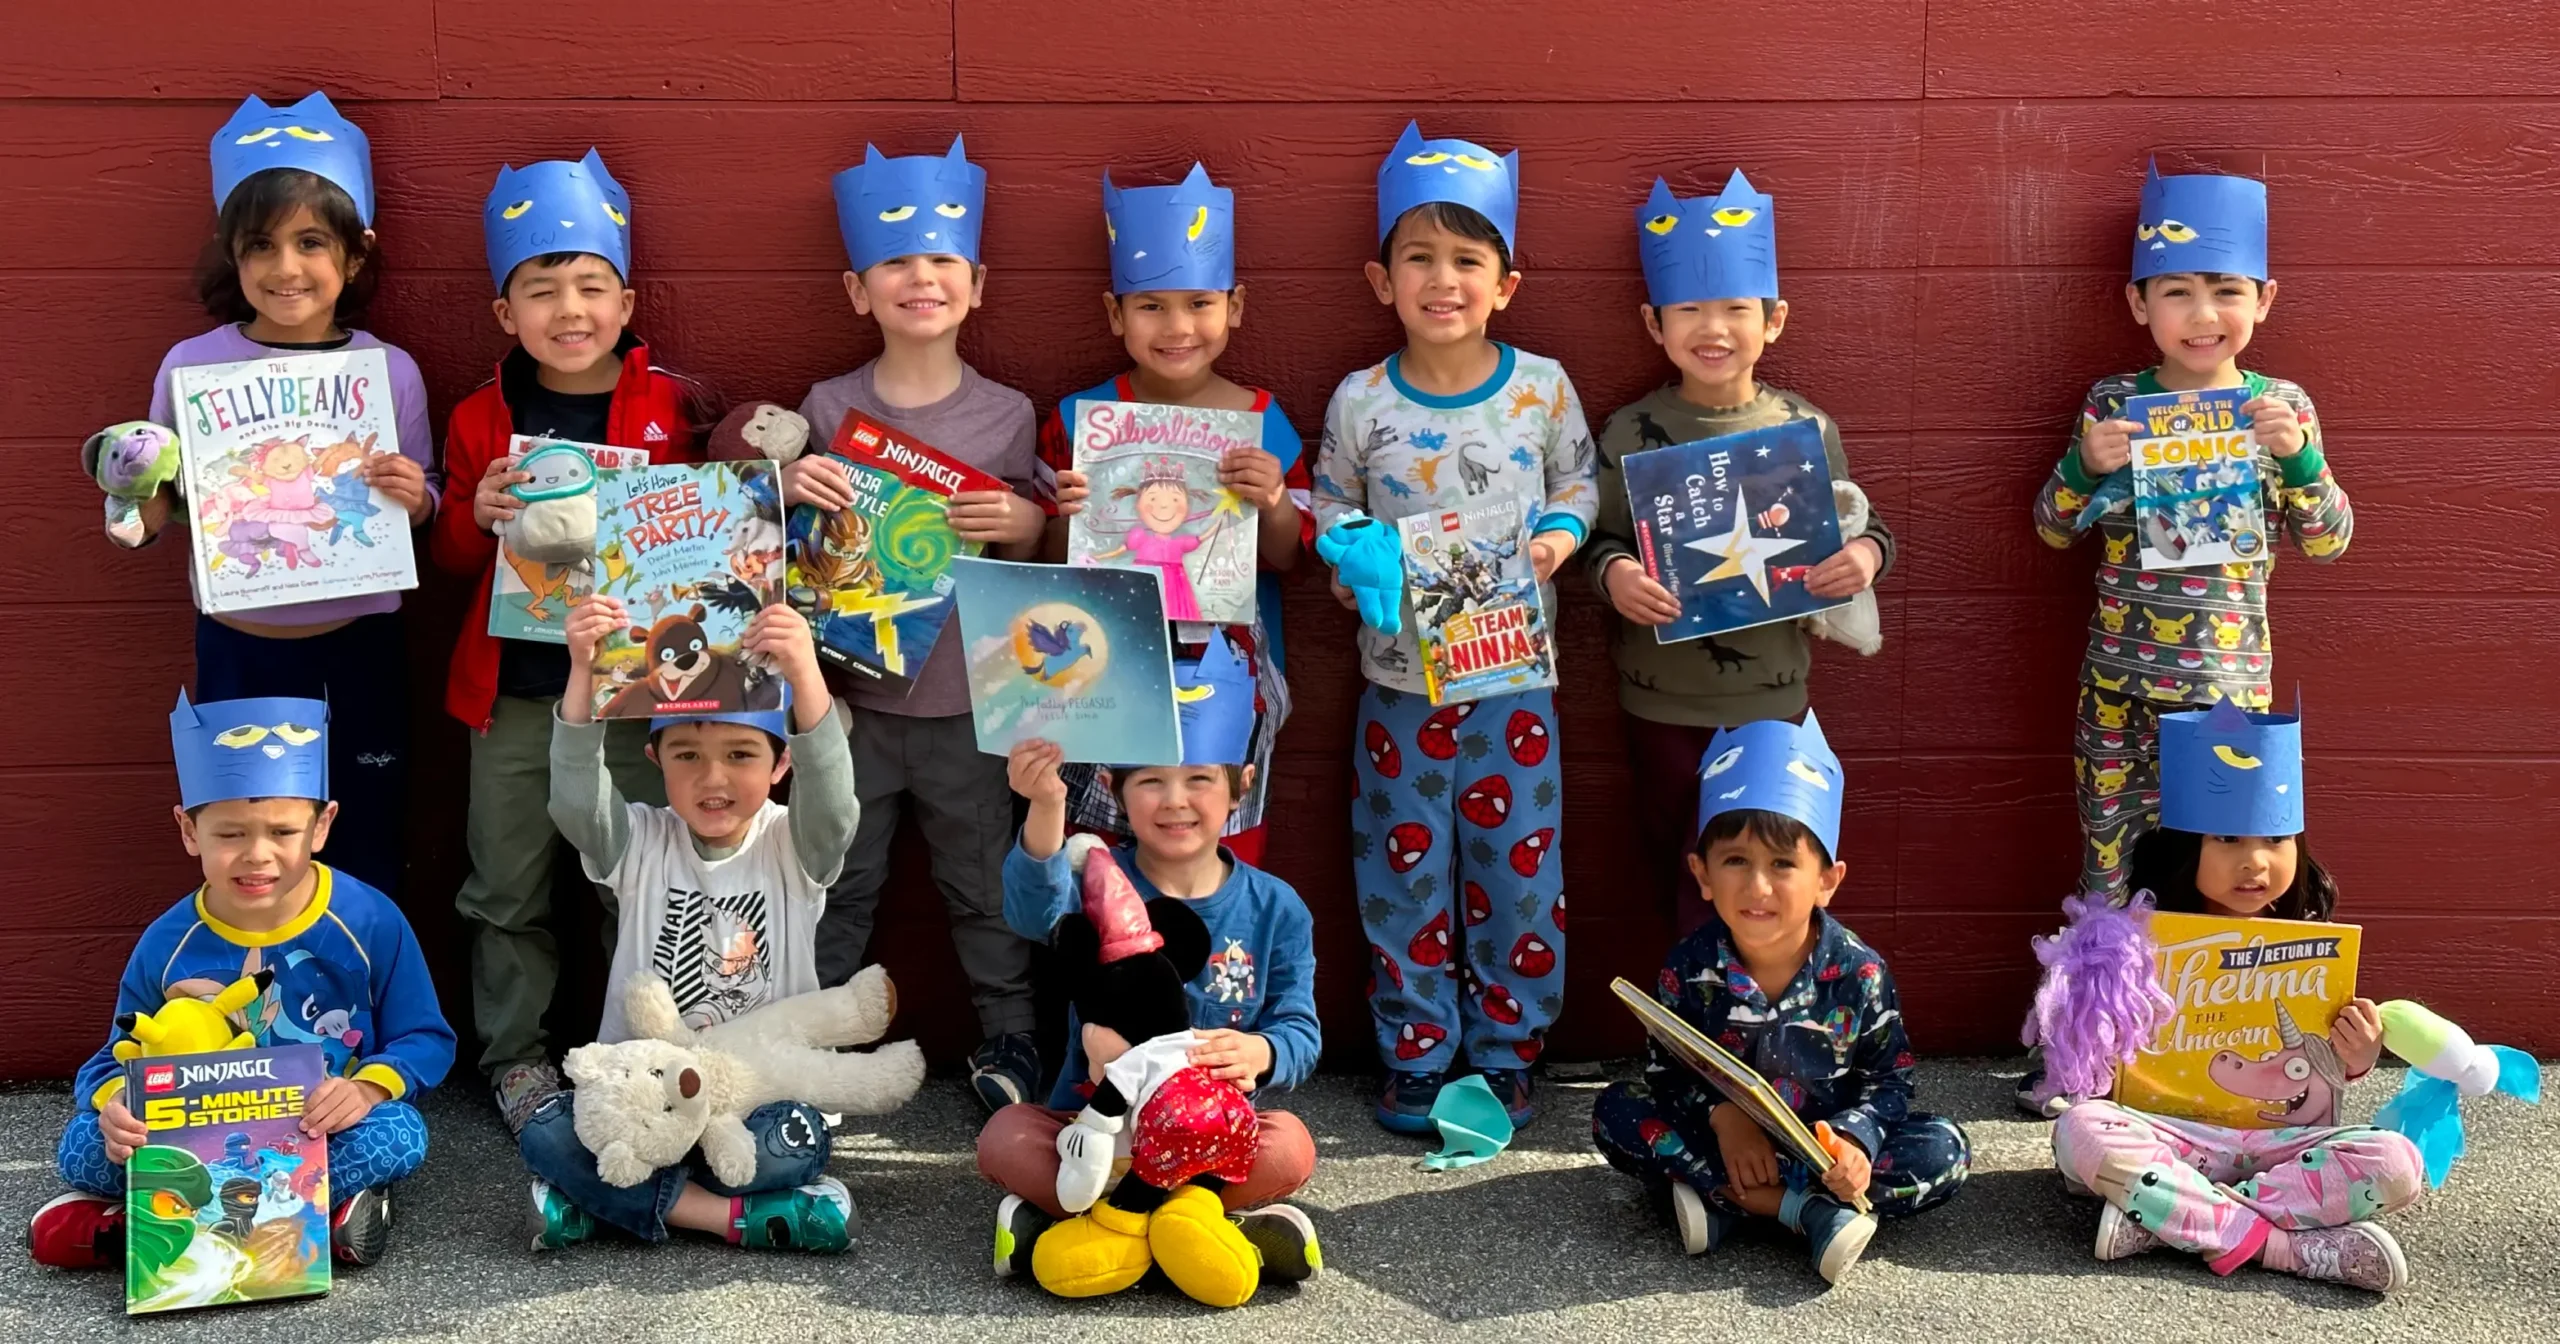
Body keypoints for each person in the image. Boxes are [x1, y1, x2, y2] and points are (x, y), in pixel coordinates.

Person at [1312, 122, 1595, 1132]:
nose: (1442, 281)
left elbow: (1578, 480)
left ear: (1505, 284)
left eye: (1467, 261)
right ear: (1379, 279)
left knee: (1519, 868)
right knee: (1400, 871)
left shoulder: (1541, 388)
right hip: (1399, 685)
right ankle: (1417, 1050)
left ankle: (1509, 1049)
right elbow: (1328, 501)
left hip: (1511, 681)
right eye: (1417, 259)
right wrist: (1352, 563)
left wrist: (1560, 540)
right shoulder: (1361, 401)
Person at [431, 147, 718, 1134]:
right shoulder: (480, 416)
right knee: (507, 884)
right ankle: (516, 1056)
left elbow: (719, 532)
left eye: (591, 287)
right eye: (541, 291)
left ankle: (644, 1054)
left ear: (627, 300)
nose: (570, 310)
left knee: (639, 876)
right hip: (515, 691)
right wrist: (476, 511)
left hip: (639, 694)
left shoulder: (675, 409)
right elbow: (455, 563)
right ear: (506, 315)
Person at [109, 91, 439, 900]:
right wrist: (131, 490)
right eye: (261, 245)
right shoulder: (190, 365)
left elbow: (426, 493)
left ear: (355, 257)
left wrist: (417, 497)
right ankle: (270, 1015)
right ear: (232, 255)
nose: (286, 268)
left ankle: (360, 1011)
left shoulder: (390, 370)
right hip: (239, 643)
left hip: (358, 641)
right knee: (251, 842)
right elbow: (151, 511)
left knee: (364, 830)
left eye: (310, 242)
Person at [783, 137, 1047, 1112]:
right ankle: (799, 1048)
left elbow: (1038, 551)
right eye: (896, 262)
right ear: (859, 290)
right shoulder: (829, 405)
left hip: (970, 705)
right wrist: (788, 486)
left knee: (982, 885)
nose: (919, 277)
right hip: (849, 704)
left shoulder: (1010, 414)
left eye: (940, 261)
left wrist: (1027, 523)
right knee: (836, 887)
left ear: (975, 284)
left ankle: (1012, 1039)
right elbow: (800, 554)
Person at [29, 693, 454, 1269]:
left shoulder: (370, 920)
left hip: (312, 1131)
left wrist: (366, 1090)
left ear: (322, 825)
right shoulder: (167, 941)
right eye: (229, 835)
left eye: (283, 832)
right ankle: (317, 1219)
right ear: (188, 830)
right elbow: (111, 1058)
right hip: (195, 1140)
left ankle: (139, 1223)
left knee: (399, 1133)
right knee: (83, 1147)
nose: (257, 856)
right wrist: (119, 1108)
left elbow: (426, 1038)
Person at [1584, 168, 1894, 935]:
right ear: (1655, 325)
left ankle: (1761, 1026)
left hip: (1771, 702)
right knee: (1681, 865)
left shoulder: (1806, 430)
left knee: (1768, 871)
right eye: (1689, 310)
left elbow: (1866, 527)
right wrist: (1614, 573)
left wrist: (1864, 561)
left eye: (1735, 309)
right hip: (1658, 699)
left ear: (1775, 319)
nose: (1712, 328)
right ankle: (1694, 1026)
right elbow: (1598, 537)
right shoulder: (1626, 433)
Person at [2029, 163, 2351, 901]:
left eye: (2227, 292)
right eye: (2179, 293)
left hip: (2228, 691)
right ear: (2140, 304)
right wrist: (2086, 464)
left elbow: (2331, 540)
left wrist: (2296, 457)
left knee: (2228, 878)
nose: (2204, 315)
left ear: (2264, 301)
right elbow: (2052, 530)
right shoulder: (2113, 403)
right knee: (2111, 875)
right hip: (2117, 690)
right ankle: (2104, 1018)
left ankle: (2207, 1016)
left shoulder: (2283, 407)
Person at [513, 595, 863, 1252]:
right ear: (655, 759)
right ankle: (733, 1218)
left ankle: (608, 1205)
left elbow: (836, 805)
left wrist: (804, 671)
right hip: (645, 1102)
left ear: (782, 764)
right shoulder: (639, 840)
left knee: (798, 1138)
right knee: (547, 1128)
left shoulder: (796, 844)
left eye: (741, 756)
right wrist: (584, 670)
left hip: (757, 1104)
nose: (713, 780)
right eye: (686, 756)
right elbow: (574, 801)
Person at [979, 634, 1322, 1292]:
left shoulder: (1278, 909)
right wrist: (1046, 806)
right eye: (1152, 781)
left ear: (1240, 785)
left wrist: (1261, 1052)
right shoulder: (1100, 881)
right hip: (1102, 1130)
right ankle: (1204, 1233)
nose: (1175, 800)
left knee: (1289, 1147)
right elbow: (1030, 910)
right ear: (1112, 787)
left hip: (1214, 1135)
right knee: (1005, 1136)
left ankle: (1090, 1231)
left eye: (1199, 780)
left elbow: (1301, 1031)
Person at [2046, 701, 2422, 1293]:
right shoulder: (2132, 942)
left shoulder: (2310, 944)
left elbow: (2316, 1077)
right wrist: (2095, 1030)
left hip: (2282, 1147)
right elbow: (2091, 1072)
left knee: (2398, 1161)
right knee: (2081, 1133)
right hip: (2168, 1135)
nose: (2255, 862)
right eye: (2226, 838)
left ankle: (2175, 1222)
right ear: (2184, 849)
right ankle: (2288, 1249)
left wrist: (2355, 1056)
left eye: (2276, 838)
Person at [1590, 713, 1970, 1287]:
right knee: (1615, 1111)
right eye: (1736, 861)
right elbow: (1666, 1073)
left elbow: (1891, 1081)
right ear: (1703, 873)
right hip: (1723, 1139)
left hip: (1823, 1150)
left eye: (1783, 864)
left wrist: (1854, 1142)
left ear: (1828, 879)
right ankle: (1800, 1212)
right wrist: (1725, 1121)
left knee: (1946, 1149)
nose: (1758, 887)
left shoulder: (1860, 972)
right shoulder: (1688, 966)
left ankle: (1725, 1200)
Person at [1039, 162, 1311, 868]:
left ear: (1236, 306)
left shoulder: (1261, 419)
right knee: (1097, 852)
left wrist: (1274, 500)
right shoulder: (1078, 421)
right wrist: (1068, 512)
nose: (1178, 326)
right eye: (1151, 305)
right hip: (1104, 675)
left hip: (1228, 676)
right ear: (1114, 314)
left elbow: (1287, 557)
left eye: (1199, 302)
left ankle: (1224, 970)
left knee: (1222, 847)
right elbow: (1049, 563)